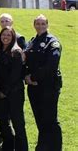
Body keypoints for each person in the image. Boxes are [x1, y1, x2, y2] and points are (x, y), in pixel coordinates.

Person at [24, 14, 62, 150]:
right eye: (38, 23)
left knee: (50, 120)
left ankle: (55, 147)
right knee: (40, 119)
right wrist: (26, 77)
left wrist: (32, 78)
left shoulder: (53, 42)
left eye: (43, 23)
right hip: (34, 89)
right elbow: (26, 61)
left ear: (47, 25)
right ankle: (43, 146)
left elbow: (51, 65)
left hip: (48, 87)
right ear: (34, 25)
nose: (40, 26)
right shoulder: (32, 41)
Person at [0, 26, 28, 151]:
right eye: (4, 35)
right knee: (3, 123)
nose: (5, 37)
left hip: (14, 93)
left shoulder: (16, 52)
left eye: (9, 35)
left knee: (18, 124)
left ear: (13, 37)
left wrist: (4, 91)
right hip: (0, 93)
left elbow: (15, 76)